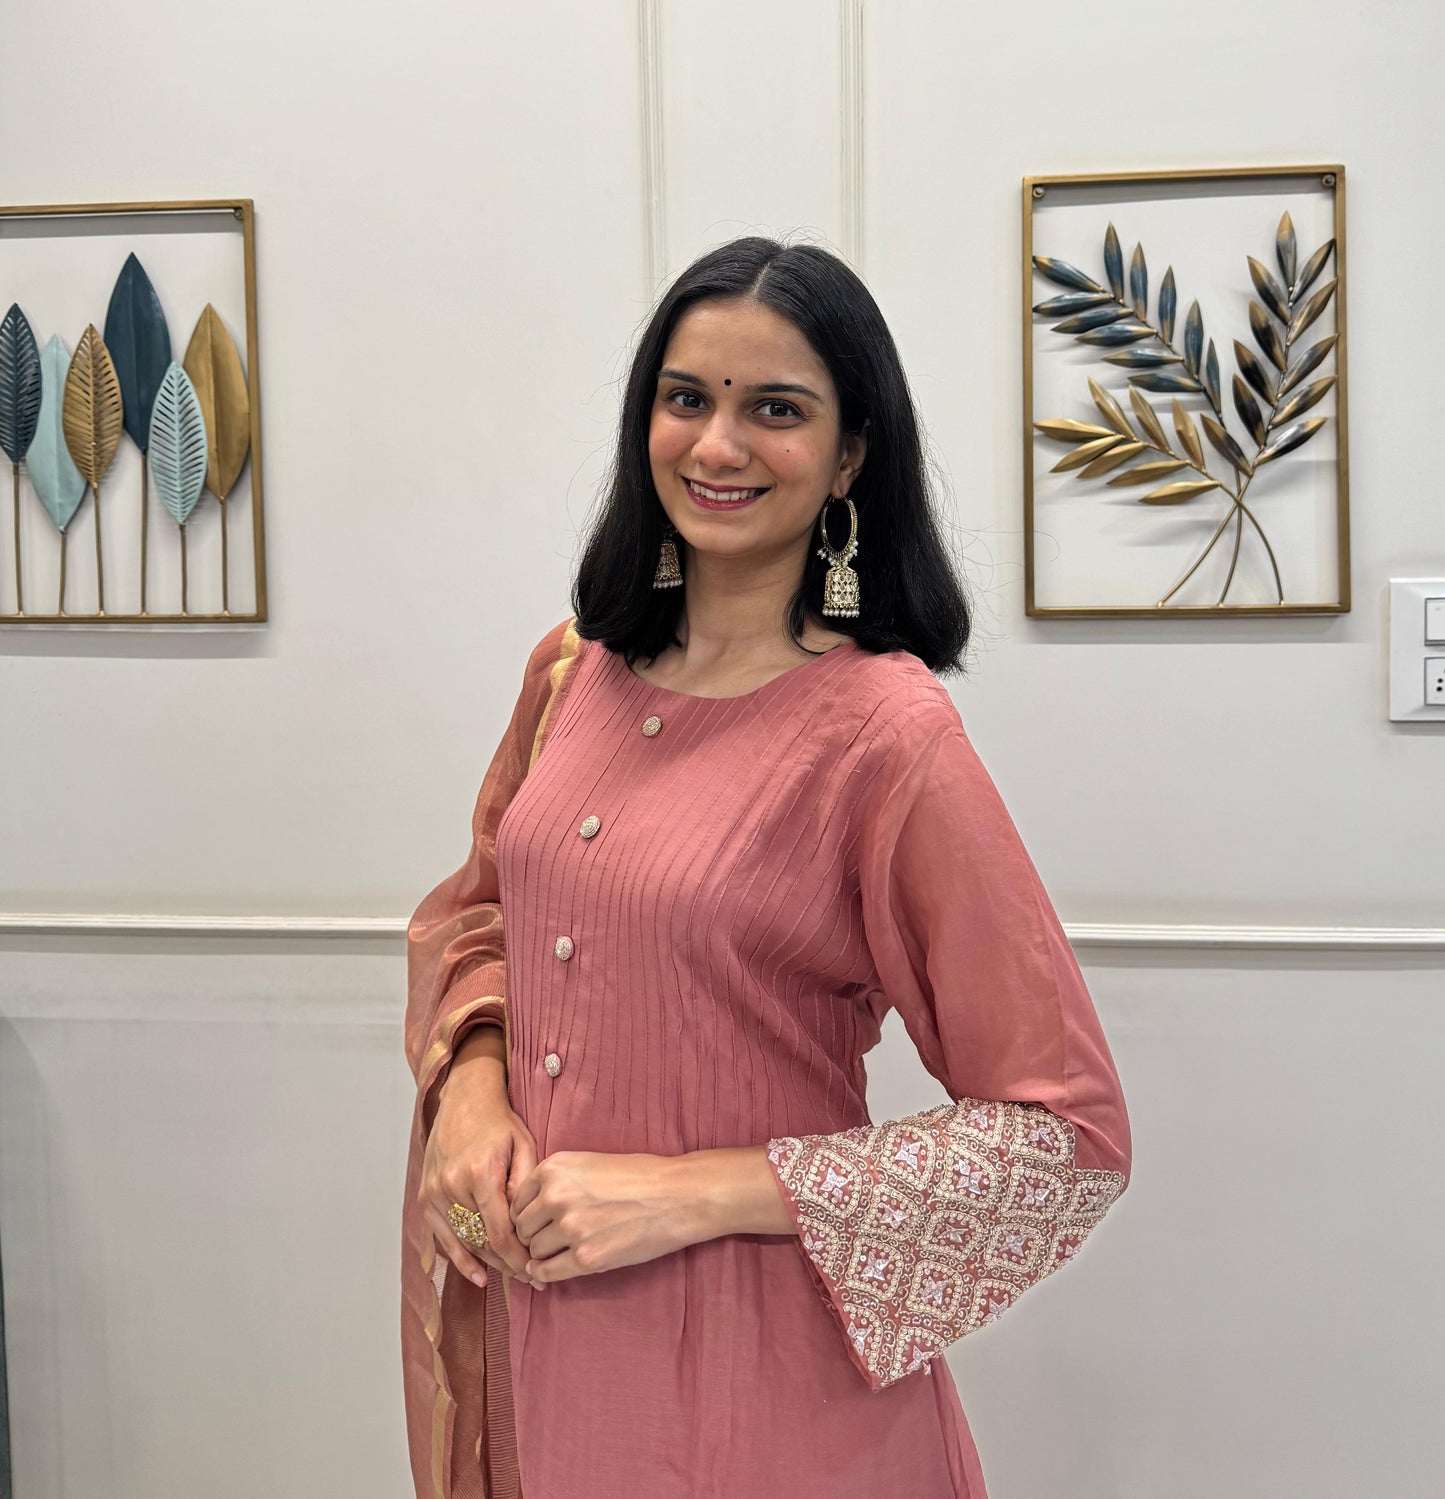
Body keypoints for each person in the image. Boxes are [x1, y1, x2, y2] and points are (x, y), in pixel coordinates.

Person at [401, 236, 1132, 1499]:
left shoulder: (883, 738)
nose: (716, 445)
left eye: (773, 410)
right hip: (531, 1332)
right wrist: (470, 1087)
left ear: (850, 454)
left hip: (754, 1380)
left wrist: (690, 1193)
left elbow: (1063, 1133)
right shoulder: (571, 671)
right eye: (685, 398)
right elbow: (484, 920)